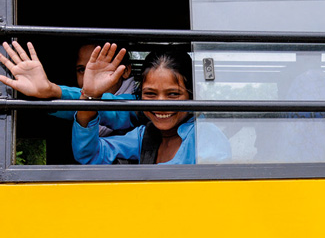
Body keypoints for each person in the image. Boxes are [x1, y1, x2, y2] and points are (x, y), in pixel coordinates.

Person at [72, 44, 230, 164]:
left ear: (192, 94)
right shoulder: (145, 136)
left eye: (173, 94)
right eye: (150, 94)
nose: (161, 104)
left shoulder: (206, 136)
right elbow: (89, 154)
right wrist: (90, 97)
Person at [0, 41, 139, 134]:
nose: (88, 78)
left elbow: (114, 111)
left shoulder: (139, 102)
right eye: (81, 70)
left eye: (99, 69)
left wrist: (53, 90)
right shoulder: (80, 116)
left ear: (126, 71)